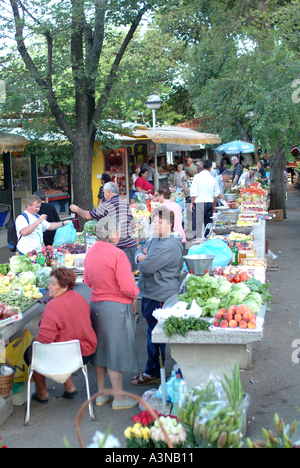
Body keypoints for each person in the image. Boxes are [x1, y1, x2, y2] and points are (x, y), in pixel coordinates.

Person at [84, 215, 139, 409]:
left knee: (99, 352)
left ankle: (101, 395)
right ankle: (119, 399)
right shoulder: (117, 254)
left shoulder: (91, 252)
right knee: (115, 353)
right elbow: (128, 287)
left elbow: (87, 281)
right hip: (115, 308)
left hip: (96, 306)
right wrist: (135, 293)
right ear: (113, 233)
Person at [23, 268, 97, 403]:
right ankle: (70, 387)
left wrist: (35, 340)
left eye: (53, 284)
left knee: (33, 351)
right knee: (61, 343)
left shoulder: (53, 306)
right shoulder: (79, 297)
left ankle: (42, 393)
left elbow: (45, 339)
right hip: (85, 352)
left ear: (65, 286)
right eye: (50, 283)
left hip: (67, 357)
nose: (49, 287)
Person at [132, 207, 183, 386]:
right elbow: (139, 250)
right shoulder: (156, 239)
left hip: (160, 295)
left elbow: (145, 267)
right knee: (152, 334)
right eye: (154, 221)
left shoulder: (168, 245)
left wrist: (142, 258)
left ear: (170, 224)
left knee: (156, 336)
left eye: (160, 222)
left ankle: (153, 371)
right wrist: (142, 256)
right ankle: (153, 369)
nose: (155, 225)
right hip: (150, 292)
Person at [70, 182, 138, 315]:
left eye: (103, 192)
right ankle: (133, 314)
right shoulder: (125, 203)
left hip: (116, 247)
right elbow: (133, 225)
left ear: (107, 192)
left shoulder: (107, 205)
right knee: (130, 281)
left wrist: (77, 209)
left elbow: (89, 215)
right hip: (130, 246)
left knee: (113, 281)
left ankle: (121, 309)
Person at [190, 159, 220, 238]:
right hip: (209, 204)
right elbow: (216, 194)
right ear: (210, 168)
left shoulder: (197, 177)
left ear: (203, 166)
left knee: (197, 226)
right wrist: (214, 206)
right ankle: (207, 240)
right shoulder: (213, 179)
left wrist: (191, 204)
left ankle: (197, 242)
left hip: (199, 203)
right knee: (208, 225)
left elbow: (194, 193)